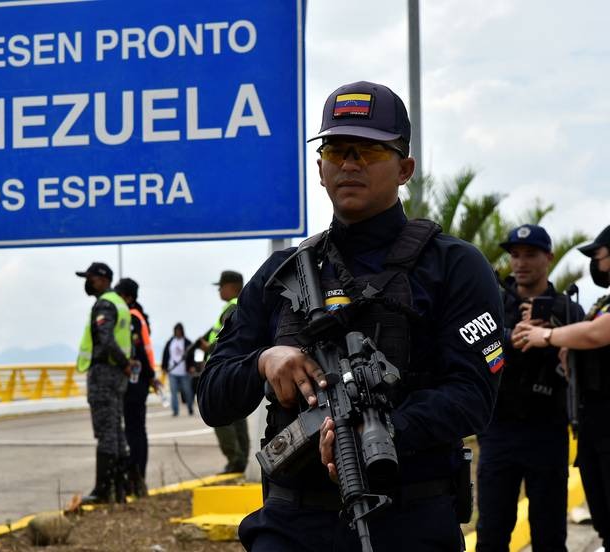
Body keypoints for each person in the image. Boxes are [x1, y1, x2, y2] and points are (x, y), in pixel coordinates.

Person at [197, 80, 504, 551]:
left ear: (405, 168)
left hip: (410, 519)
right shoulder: (282, 274)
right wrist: (264, 361)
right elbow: (213, 397)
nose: (350, 163)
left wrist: (380, 432)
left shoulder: (455, 267)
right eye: (337, 150)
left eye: (369, 151)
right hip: (291, 523)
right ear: (320, 169)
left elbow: (472, 396)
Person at [476, 225, 583, 552]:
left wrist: (551, 336)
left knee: (550, 535)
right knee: (491, 532)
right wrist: (511, 335)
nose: (521, 263)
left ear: (548, 257)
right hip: (499, 431)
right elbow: (476, 348)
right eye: (515, 255)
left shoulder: (567, 309)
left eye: (531, 255)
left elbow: (580, 369)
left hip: (547, 431)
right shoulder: (493, 304)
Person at [516, 224, 610, 550]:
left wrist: (549, 335)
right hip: (592, 421)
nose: (595, 264)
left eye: (598, 255)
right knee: (605, 518)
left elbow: (598, 332)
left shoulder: (594, 312)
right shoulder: (602, 301)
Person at [75, 262, 132, 504]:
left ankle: (103, 490)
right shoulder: (119, 302)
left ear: (103, 279)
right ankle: (120, 489)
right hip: (116, 374)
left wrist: (122, 362)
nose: (88, 283)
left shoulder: (105, 304)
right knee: (116, 431)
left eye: (91, 278)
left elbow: (106, 339)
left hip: (105, 372)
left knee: (106, 432)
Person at [199, 270, 250, 474]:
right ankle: (241, 459)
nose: (219, 290)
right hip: (235, 368)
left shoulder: (231, 308)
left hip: (223, 370)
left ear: (232, 286)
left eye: (221, 286)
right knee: (237, 416)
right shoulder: (241, 306)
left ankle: (234, 459)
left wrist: (207, 349)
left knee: (220, 415)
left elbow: (226, 338)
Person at [114, 276, 158, 498]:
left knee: (133, 431)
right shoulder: (139, 314)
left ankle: (136, 477)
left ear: (128, 297)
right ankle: (137, 478)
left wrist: (149, 376)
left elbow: (138, 350)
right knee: (137, 430)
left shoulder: (130, 317)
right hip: (141, 380)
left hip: (135, 381)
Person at [162, 323, 194, 416]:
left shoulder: (187, 342)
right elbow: (166, 355)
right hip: (173, 371)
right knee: (173, 392)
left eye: (179, 331)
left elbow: (191, 355)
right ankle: (175, 411)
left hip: (184, 372)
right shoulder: (170, 342)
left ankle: (190, 408)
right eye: (176, 331)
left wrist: (192, 366)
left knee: (187, 391)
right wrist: (164, 367)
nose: (178, 332)